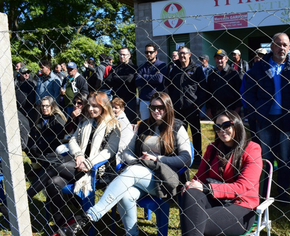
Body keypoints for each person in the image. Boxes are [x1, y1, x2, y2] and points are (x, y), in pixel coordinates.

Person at [57, 92, 192, 236]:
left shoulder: (177, 127)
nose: (156, 111)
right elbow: (127, 152)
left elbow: (186, 158)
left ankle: (90, 217)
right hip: (138, 174)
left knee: (132, 171)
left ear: (168, 108)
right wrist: (139, 161)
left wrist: (157, 159)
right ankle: (131, 234)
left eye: (161, 107)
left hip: (163, 179)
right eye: (153, 107)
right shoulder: (143, 126)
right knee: (125, 195)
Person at [27, 91, 121, 230]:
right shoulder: (86, 121)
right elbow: (72, 139)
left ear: (104, 106)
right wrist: (78, 155)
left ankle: (25, 199)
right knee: (53, 182)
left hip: (97, 171)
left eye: (95, 106)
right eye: (89, 105)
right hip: (76, 165)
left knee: (55, 166)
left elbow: (109, 151)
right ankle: (61, 226)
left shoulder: (113, 125)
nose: (90, 109)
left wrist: (88, 162)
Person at [180, 110, 262, 235]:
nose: (221, 130)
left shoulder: (252, 149)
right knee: (190, 193)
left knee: (194, 220)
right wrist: (191, 184)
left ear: (237, 124)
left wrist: (207, 188)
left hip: (240, 206)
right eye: (217, 127)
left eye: (226, 125)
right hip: (213, 201)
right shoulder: (212, 149)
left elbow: (243, 187)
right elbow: (199, 178)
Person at [244, 32, 290, 201]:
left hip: (287, 120)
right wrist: (256, 111)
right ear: (271, 46)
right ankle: (265, 192)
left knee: (285, 157)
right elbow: (248, 94)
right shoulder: (258, 68)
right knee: (265, 157)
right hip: (265, 119)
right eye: (278, 44)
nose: (282, 48)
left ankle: (283, 192)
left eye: (285, 45)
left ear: (289, 47)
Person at [166, 46, 202, 164]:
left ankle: (197, 157)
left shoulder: (197, 69)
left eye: (184, 53)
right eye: (180, 53)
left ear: (189, 54)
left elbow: (203, 89)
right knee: (179, 133)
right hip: (177, 108)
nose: (182, 56)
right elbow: (168, 86)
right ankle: (182, 155)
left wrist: (199, 105)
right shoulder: (173, 68)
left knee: (195, 133)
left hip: (192, 107)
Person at [27, 96, 67, 167]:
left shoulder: (57, 117)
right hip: (43, 143)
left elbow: (60, 136)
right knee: (30, 147)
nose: (44, 108)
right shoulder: (41, 117)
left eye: (47, 106)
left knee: (34, 148)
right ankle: (40, 163)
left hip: (54, 143)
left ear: (52, 106)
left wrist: (43, 141)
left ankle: (45, 163)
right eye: (42, 106)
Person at [105, 47, 138, 123]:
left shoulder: (134, 68)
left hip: (129, 99)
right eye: (120, 54)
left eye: (124, 55)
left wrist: (115, 77)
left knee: (130, 122)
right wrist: (124, 78)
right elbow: (108, 80)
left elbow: (130, 79)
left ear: (129, 55)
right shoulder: (115, 68)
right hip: (116, 99)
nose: (122, 56)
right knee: (115, 122)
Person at [206, 49, 242, 118]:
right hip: (215, 110)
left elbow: (239, 91)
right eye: (217, 58)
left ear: (226, 59)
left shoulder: (233, 73)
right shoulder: (212, 73)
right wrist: (208, 108)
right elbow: (208, 92)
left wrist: (237, 108)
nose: (219, 60)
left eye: (221, 58)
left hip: (231, 109)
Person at [135, 43, 167, 120]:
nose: (148, 54)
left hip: (158, 100)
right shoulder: (142, 66)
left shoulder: (162, 65)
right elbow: (137, 81)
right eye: (146, 52)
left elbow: (159, 79)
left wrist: (144, 76)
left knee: (159, 124)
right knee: (145, 124)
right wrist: (153, 77)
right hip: (144, 100)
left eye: (151, 52)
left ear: (156, 52)